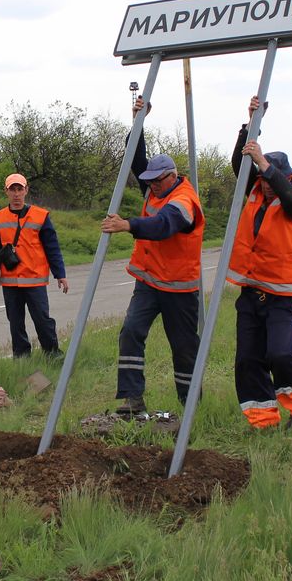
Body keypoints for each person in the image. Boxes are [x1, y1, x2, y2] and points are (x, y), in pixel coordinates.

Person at [101, 96, 205, 417]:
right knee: (131, 332)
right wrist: (138, 121)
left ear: (172, 176)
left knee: (184, 349)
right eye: (149, 182)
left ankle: (191, 407)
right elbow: (136, 159)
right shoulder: (154, 186)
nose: (152, 188)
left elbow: (163, 226)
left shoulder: (184, 200)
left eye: (157, 182)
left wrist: (127, 224)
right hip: (148, 283)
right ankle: (133, 400)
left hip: (179, 289)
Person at [226, 96, 292, 428]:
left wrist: (266, 165)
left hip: (281, 297)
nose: (264, 188)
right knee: (249, 360)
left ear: (283, 176)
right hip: (251, 293)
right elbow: (240, 166)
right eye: (262, 181)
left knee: (280, 355)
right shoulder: (253, 189)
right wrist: (250, 123)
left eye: (270, 180)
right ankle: (264, 421)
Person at [0, 173, 69, 359]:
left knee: (43, 320)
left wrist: (60, 274)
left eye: (19, 189)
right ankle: (21, 358)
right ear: (6, 191)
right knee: (15, 323)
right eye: (12, 189)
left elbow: (52, 247)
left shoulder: (41, 216)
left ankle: (53, 355)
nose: (16, 194)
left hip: (35, 280)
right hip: (10, 282)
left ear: (26, 190)